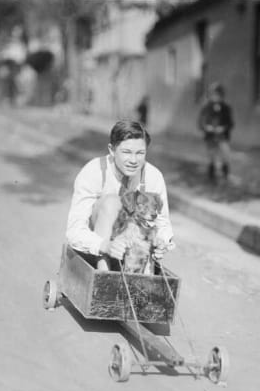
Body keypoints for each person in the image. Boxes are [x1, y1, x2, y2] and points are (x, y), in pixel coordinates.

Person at [66, 120, 175, 271]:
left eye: (140, 153)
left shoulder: (153, 176)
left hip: (134, 248)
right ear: (112, 150)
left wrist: (162, 241)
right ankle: (103, 275)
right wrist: (105, 246)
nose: (133, 160)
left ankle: (136, 275)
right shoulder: (94, 172)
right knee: (112, 202)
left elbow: (162, 221)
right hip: (96, 247)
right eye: (126, 152)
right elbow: (74, 230)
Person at [197, 82, 234, 182]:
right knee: (211, 156)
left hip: (222, 136)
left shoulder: (226, 108)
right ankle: (211, 176)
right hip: (210, 136)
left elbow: (230, 123)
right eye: (213, 94)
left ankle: (226, 174)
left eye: (217, 94)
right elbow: (201, 122)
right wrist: (207, 127)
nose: (215, 97)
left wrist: (223, 128)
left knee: (225, 154)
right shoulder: (206, 108)